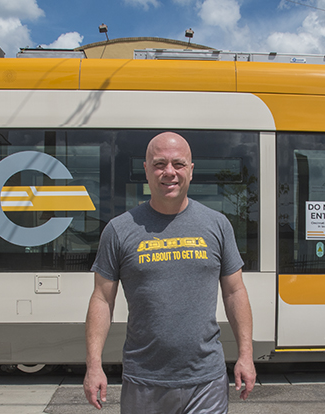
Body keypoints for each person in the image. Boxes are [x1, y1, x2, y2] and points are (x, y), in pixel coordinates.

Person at [83, 132, 256, 413]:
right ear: (146, 170)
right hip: (144, 382)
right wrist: (93, 366)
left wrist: (246, 356)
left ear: (190, 169)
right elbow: (102, 299)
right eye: (160, 163)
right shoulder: (119, 230)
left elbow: (235, 291)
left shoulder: (218, 225)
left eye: (178, 163)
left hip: (206, 381)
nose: (169, 172)